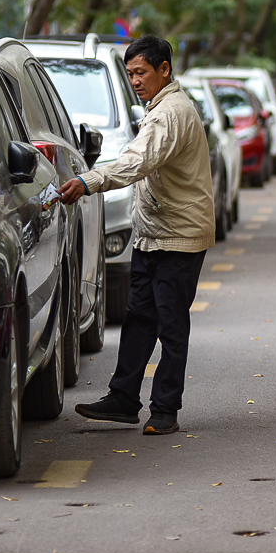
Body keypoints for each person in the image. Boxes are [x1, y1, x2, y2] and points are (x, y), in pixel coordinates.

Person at [58, 36, 214, 436]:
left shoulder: (169, 113)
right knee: (140, 318)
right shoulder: (158, 108)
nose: (135, 80)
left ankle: (165, 410)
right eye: (129, 74)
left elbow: (136, 162)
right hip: (154, 234)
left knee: (171, 325)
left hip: (178, 238)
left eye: (141, 72)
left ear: (164, 70)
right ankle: (124, 399)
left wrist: (88, 180)